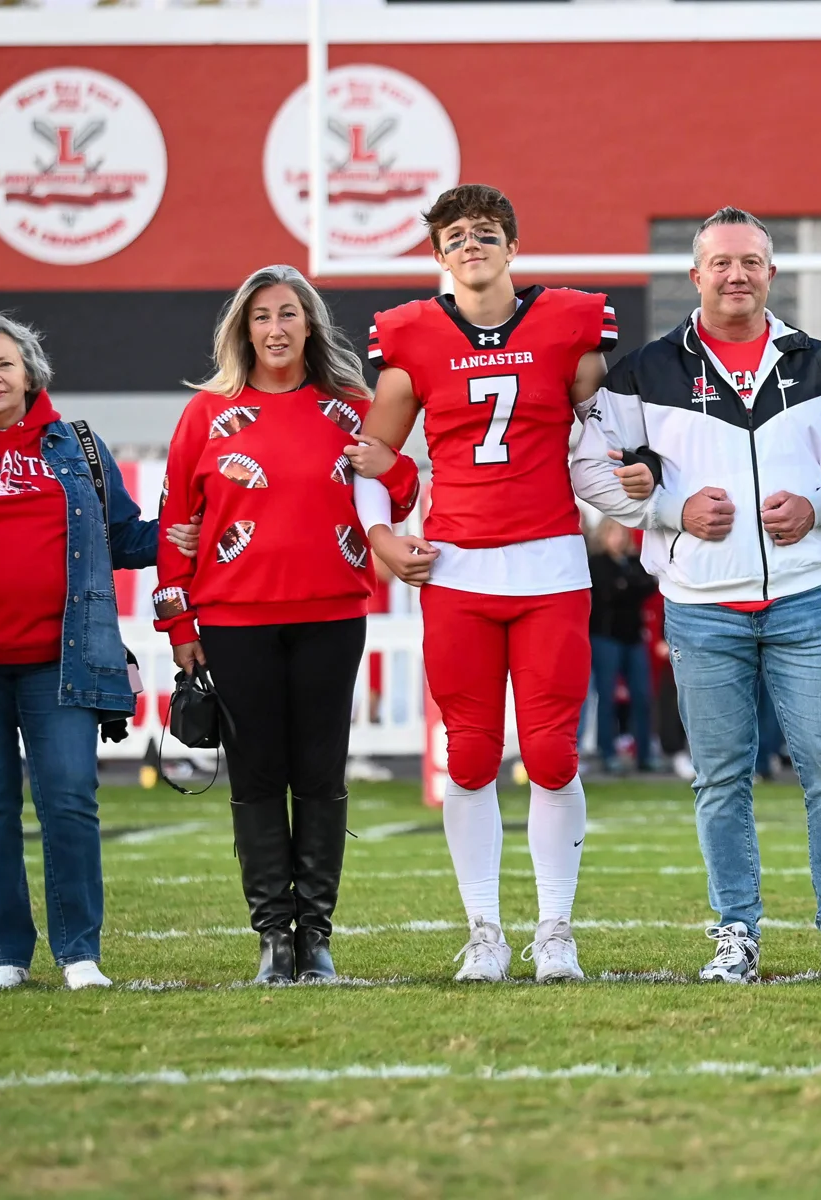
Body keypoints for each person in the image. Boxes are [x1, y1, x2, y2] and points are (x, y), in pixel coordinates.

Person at [572, 206, 821, 982]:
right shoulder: (647, 370)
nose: (736, 275)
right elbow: (586, 465)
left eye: (750, 261)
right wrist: (665, 510)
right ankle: (735, 933)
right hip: (700, 604)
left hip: (804, 600)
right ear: (695, 275)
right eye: (720, 262)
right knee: (720, 780)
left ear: (771, 274)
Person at [347, 184, 619, 984]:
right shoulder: (412, 334)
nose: (472, 244)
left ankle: (556, 928)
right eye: (456, 236)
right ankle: (486, 929)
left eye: (487, 232)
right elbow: (371, 452)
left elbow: (611, 426)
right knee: (467, 755)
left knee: (551, 752)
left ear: (511, 245)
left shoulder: (570, 322)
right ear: (438, 255)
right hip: (459, 566)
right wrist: (381, 536)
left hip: (550, 561)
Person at [0, 312, 191, 992]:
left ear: (30, 372)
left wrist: (191, 529)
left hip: (62, 662)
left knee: (69, 801)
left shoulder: (79, 449)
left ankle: (79, 954)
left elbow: (125, 539)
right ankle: (6, 956)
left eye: (4, 363)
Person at [158, 266, 414, 984]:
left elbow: (404, 484)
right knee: (258, 777)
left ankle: (317, 937)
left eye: (288, 314)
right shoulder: (206, 414)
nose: (275, 328)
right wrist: (179, 627)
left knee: (321, 775)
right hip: (235, 621)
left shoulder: (352, 405)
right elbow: (177, 520)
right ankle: (274, 935)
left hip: (332, 612)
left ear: (310, 325)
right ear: (244, 329)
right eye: (262, 316)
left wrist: (389, 465)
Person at [587, 518, 658, 774]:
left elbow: (649, 585)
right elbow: (607, 592)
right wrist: (628, 587)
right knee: (607, 697)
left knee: (642, 695)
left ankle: (645, 755)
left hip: (633, 638)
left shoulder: (634, 561)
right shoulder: (597, 563)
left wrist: (625, 587)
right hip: (606, 637)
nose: (617, 539)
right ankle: (607, 752)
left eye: (620, 533)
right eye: (611, 533)